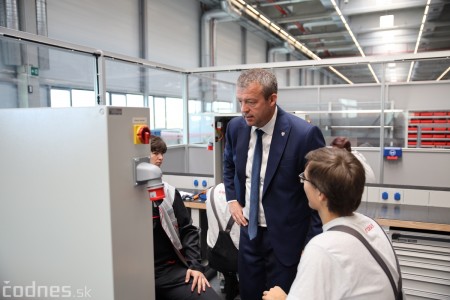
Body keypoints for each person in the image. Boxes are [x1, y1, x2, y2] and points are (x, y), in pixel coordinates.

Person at [223, 68, 326, 299]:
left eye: (251, 102)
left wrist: (311, 246)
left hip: (287, 242)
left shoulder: (304, 134)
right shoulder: (236, 128)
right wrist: (232, 200)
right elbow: (229, 165)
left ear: (272, 99)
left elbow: (322, 194)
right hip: (249, 235)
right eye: (240, 101)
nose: (243, 110)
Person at [262, 147, 401, 300]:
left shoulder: (322, 248)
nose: (302, 183)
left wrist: (280, 298)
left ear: (321, 194)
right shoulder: (372, 226)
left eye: (305, 179)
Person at [150, 135, 221, 300]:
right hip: (134, 274)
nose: (160, 157)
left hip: (169, 271)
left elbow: (188, 230)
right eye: (155, 152)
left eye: (162, 153)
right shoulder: (121, 200)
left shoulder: (168, 192)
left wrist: (195, 266)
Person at [206, 183, 240, 300]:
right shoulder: (242, 193)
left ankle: (230, 283)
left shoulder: (210, 191)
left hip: (215, 254)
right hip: (237, 257)